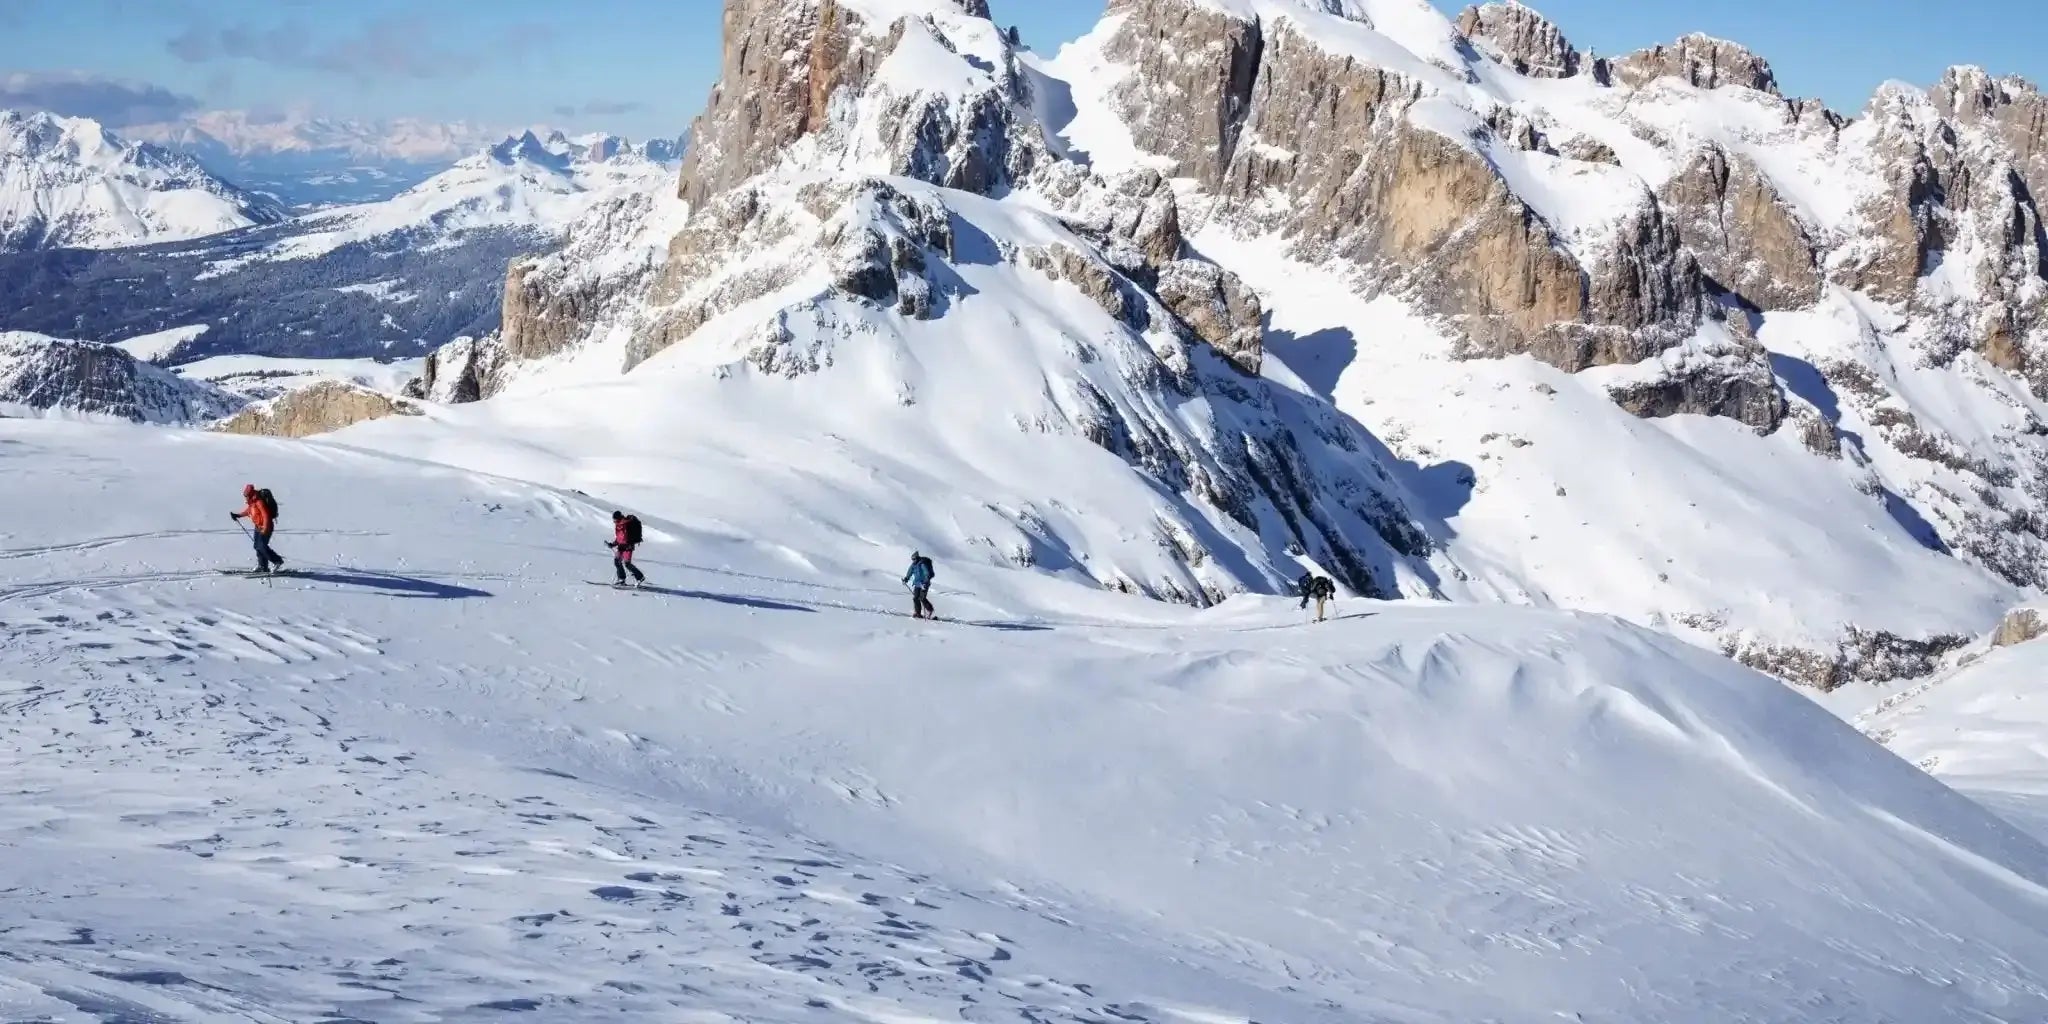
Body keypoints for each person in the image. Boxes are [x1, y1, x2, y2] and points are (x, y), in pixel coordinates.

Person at [230, 483, 284, 573]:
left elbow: (266, 516)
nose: (245, 497)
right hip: (258, 527)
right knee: (257, 546)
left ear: (250, 494)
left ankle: (277, 561)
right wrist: (238, 515)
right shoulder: (252, 501)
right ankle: (262, 566)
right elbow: (249, 511)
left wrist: (265, 529)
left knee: (262, 546)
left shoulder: (259, 502)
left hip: (266, 527)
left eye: (246, 495)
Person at [606, 511, 647, 587]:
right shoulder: (618, 525)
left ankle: (640, 577)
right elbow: (619, 538)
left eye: (614, 519)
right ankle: (621, 579)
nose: (613, 521)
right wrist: (612, 544)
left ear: (618, 518)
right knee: (617, 561)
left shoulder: (625, 523)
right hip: (621, 546)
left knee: (627, 564)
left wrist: (629, 543)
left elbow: (625, 537)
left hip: (628, 546)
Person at [903, 551, 936, 619]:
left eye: (914, 559)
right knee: (915, 598)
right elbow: (910, 572)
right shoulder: (913, 565)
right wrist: (906, 578)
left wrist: (925, 582)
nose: (913, 560)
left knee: (922, 598)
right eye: (912, 559)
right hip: (917, 584)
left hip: (924, 584)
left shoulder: (922, 564)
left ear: (917, 558)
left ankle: (930, 610)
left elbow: (927, 573)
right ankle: (918, 613)